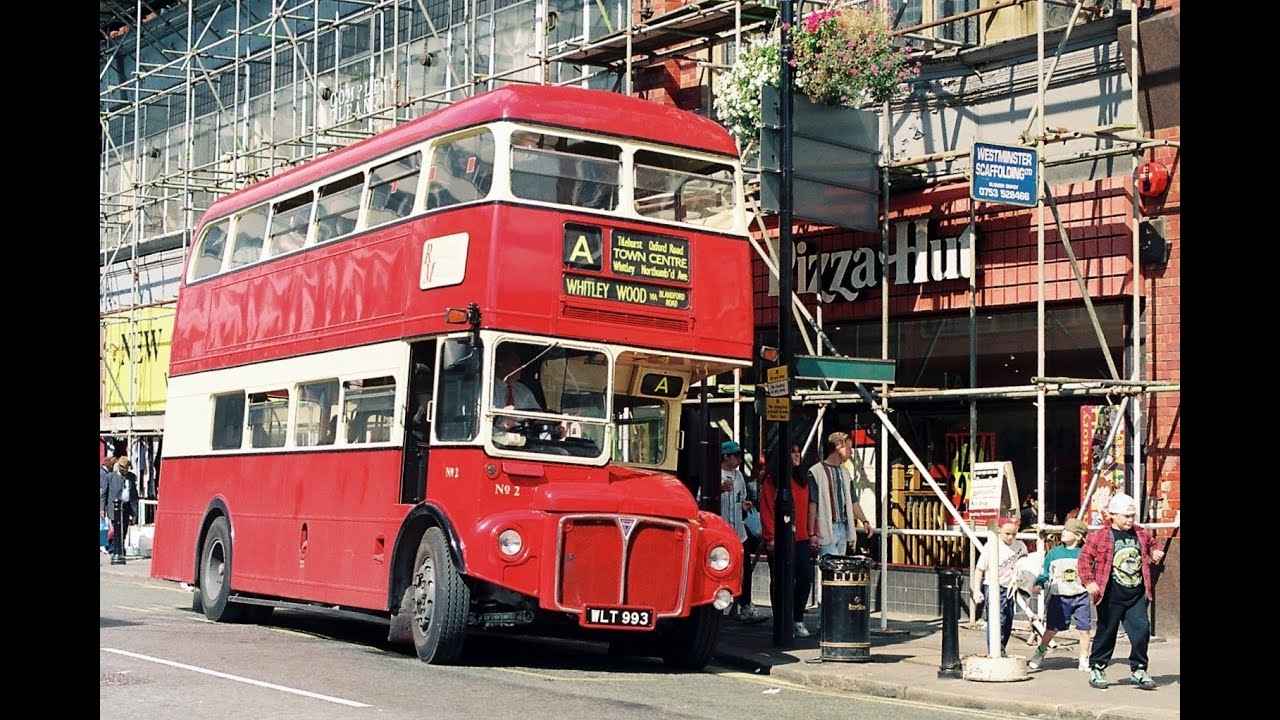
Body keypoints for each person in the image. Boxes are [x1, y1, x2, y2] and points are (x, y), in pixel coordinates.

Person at [1078, 492, 1165, 690]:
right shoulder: (1100, 536)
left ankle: (1139, 670)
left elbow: (1153, 544)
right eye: (1126, 516)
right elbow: (1084, 560)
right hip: (1110, 595)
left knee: (1141, 631)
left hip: (1135, 594)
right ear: (1113, 515)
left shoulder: (1140, 533)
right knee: (1107, 632)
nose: (1130, 520)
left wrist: (1156, 552)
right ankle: (1098, 667)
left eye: (1133, 516)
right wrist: (1089, 582)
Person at [760, 443, 816, 638]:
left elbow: (810, 508)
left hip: (800, 537)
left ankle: (797, 618)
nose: (797, 454)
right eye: (792, 451)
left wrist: (812, 532)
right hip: (780, 538)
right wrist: (770, 537)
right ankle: (781, 619)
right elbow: (767, 510)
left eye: (798, 450)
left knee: (805, 577)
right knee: (780, 580)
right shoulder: (771, 481)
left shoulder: (803, 479)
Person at [1028, 517, 1092, 672]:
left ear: (1078, 536)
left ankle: (1084, 658)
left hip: (1081, 595)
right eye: (1064, 529)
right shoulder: (1054, 553)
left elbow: (1091, 573)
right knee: (1052, 629)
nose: (1063, 532)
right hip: (1059, 597)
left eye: (1068, 530)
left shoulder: (1084, 554)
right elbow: (1045, 573)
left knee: (1085, 630)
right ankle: (1041, 652)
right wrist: (1039, 583)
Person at [807, 431, 874, 559]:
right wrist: (811, 533)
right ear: (839, 448)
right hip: (826, 526)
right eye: (848, 448)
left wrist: (864, 521)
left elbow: (853, 500)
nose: (851, 452)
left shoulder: (845, 473)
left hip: (842, 527)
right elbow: (813, 503)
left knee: (838, 568)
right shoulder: (815, 472)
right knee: (831, 567)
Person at [719, 440, 765, 623]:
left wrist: (744, 505)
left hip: (739, 532)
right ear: (726, 457)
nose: (739, 459)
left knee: (745, 570)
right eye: (736, 456)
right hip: (721, 532)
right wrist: (720, 489)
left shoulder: (739, 477)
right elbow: (701, 499)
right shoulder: (715, 475)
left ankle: (745, 605)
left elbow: (741, 498)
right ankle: (722, 605)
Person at [971, 514, 1028, 657]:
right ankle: (996, 651)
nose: (1010, 537)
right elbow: (979, 569)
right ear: (999, 530)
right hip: (993, 586)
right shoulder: (991, 545)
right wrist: (977, 590)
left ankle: (1002, 648)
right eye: (1007, 534)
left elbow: (1026, 565)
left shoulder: (1020, 546)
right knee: (997, 619)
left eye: (1013, 534)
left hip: (1010, 588)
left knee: (1008, 619)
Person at [100, 456, 138, 558]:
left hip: (126, 507)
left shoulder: (131, 477)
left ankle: (119, 549)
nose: (125, 471)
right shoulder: (110, 477)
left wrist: (135, 511)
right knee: (116, 530)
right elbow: (104, 494)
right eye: (124, 469)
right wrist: (102, 509)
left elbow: (134, 494)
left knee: (124, 530)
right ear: (120, 468)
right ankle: (115, 550)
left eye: (127, 469)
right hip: (114, 508)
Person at [492, 345, 539, 411]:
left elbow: (537, 415)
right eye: (515, 364)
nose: (520, 367)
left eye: (520, 364)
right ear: (501, 364)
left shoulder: (524, 391)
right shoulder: (488, 389)